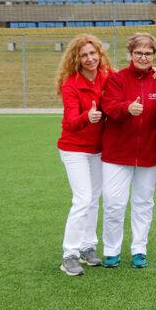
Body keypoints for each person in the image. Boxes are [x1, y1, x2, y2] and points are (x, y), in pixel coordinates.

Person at [100, 33, 156, 269]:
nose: (143, 57)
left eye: (148, 53)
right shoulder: (117, 79)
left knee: (143, 203)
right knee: (114, 203)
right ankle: (112, 250)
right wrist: (128, 108)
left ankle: (139, 250)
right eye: (138, 52)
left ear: (153, 55)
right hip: (117, 154)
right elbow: (109, 106)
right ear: (130, 54)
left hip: (150, 153)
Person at [56, 34, 113, 276]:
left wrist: (155, 72)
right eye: (84, 55)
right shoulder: (70, 83)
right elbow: (70, 121)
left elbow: (131, 83)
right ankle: (69, 254)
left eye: (93, 53)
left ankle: (88, 247)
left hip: (98, 149)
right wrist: (86, 117)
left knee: (94, 198)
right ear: (76, 59)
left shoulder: (108, 76)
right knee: (82, 198)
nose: (90, 58)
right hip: (74, 148)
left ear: (99, 54)